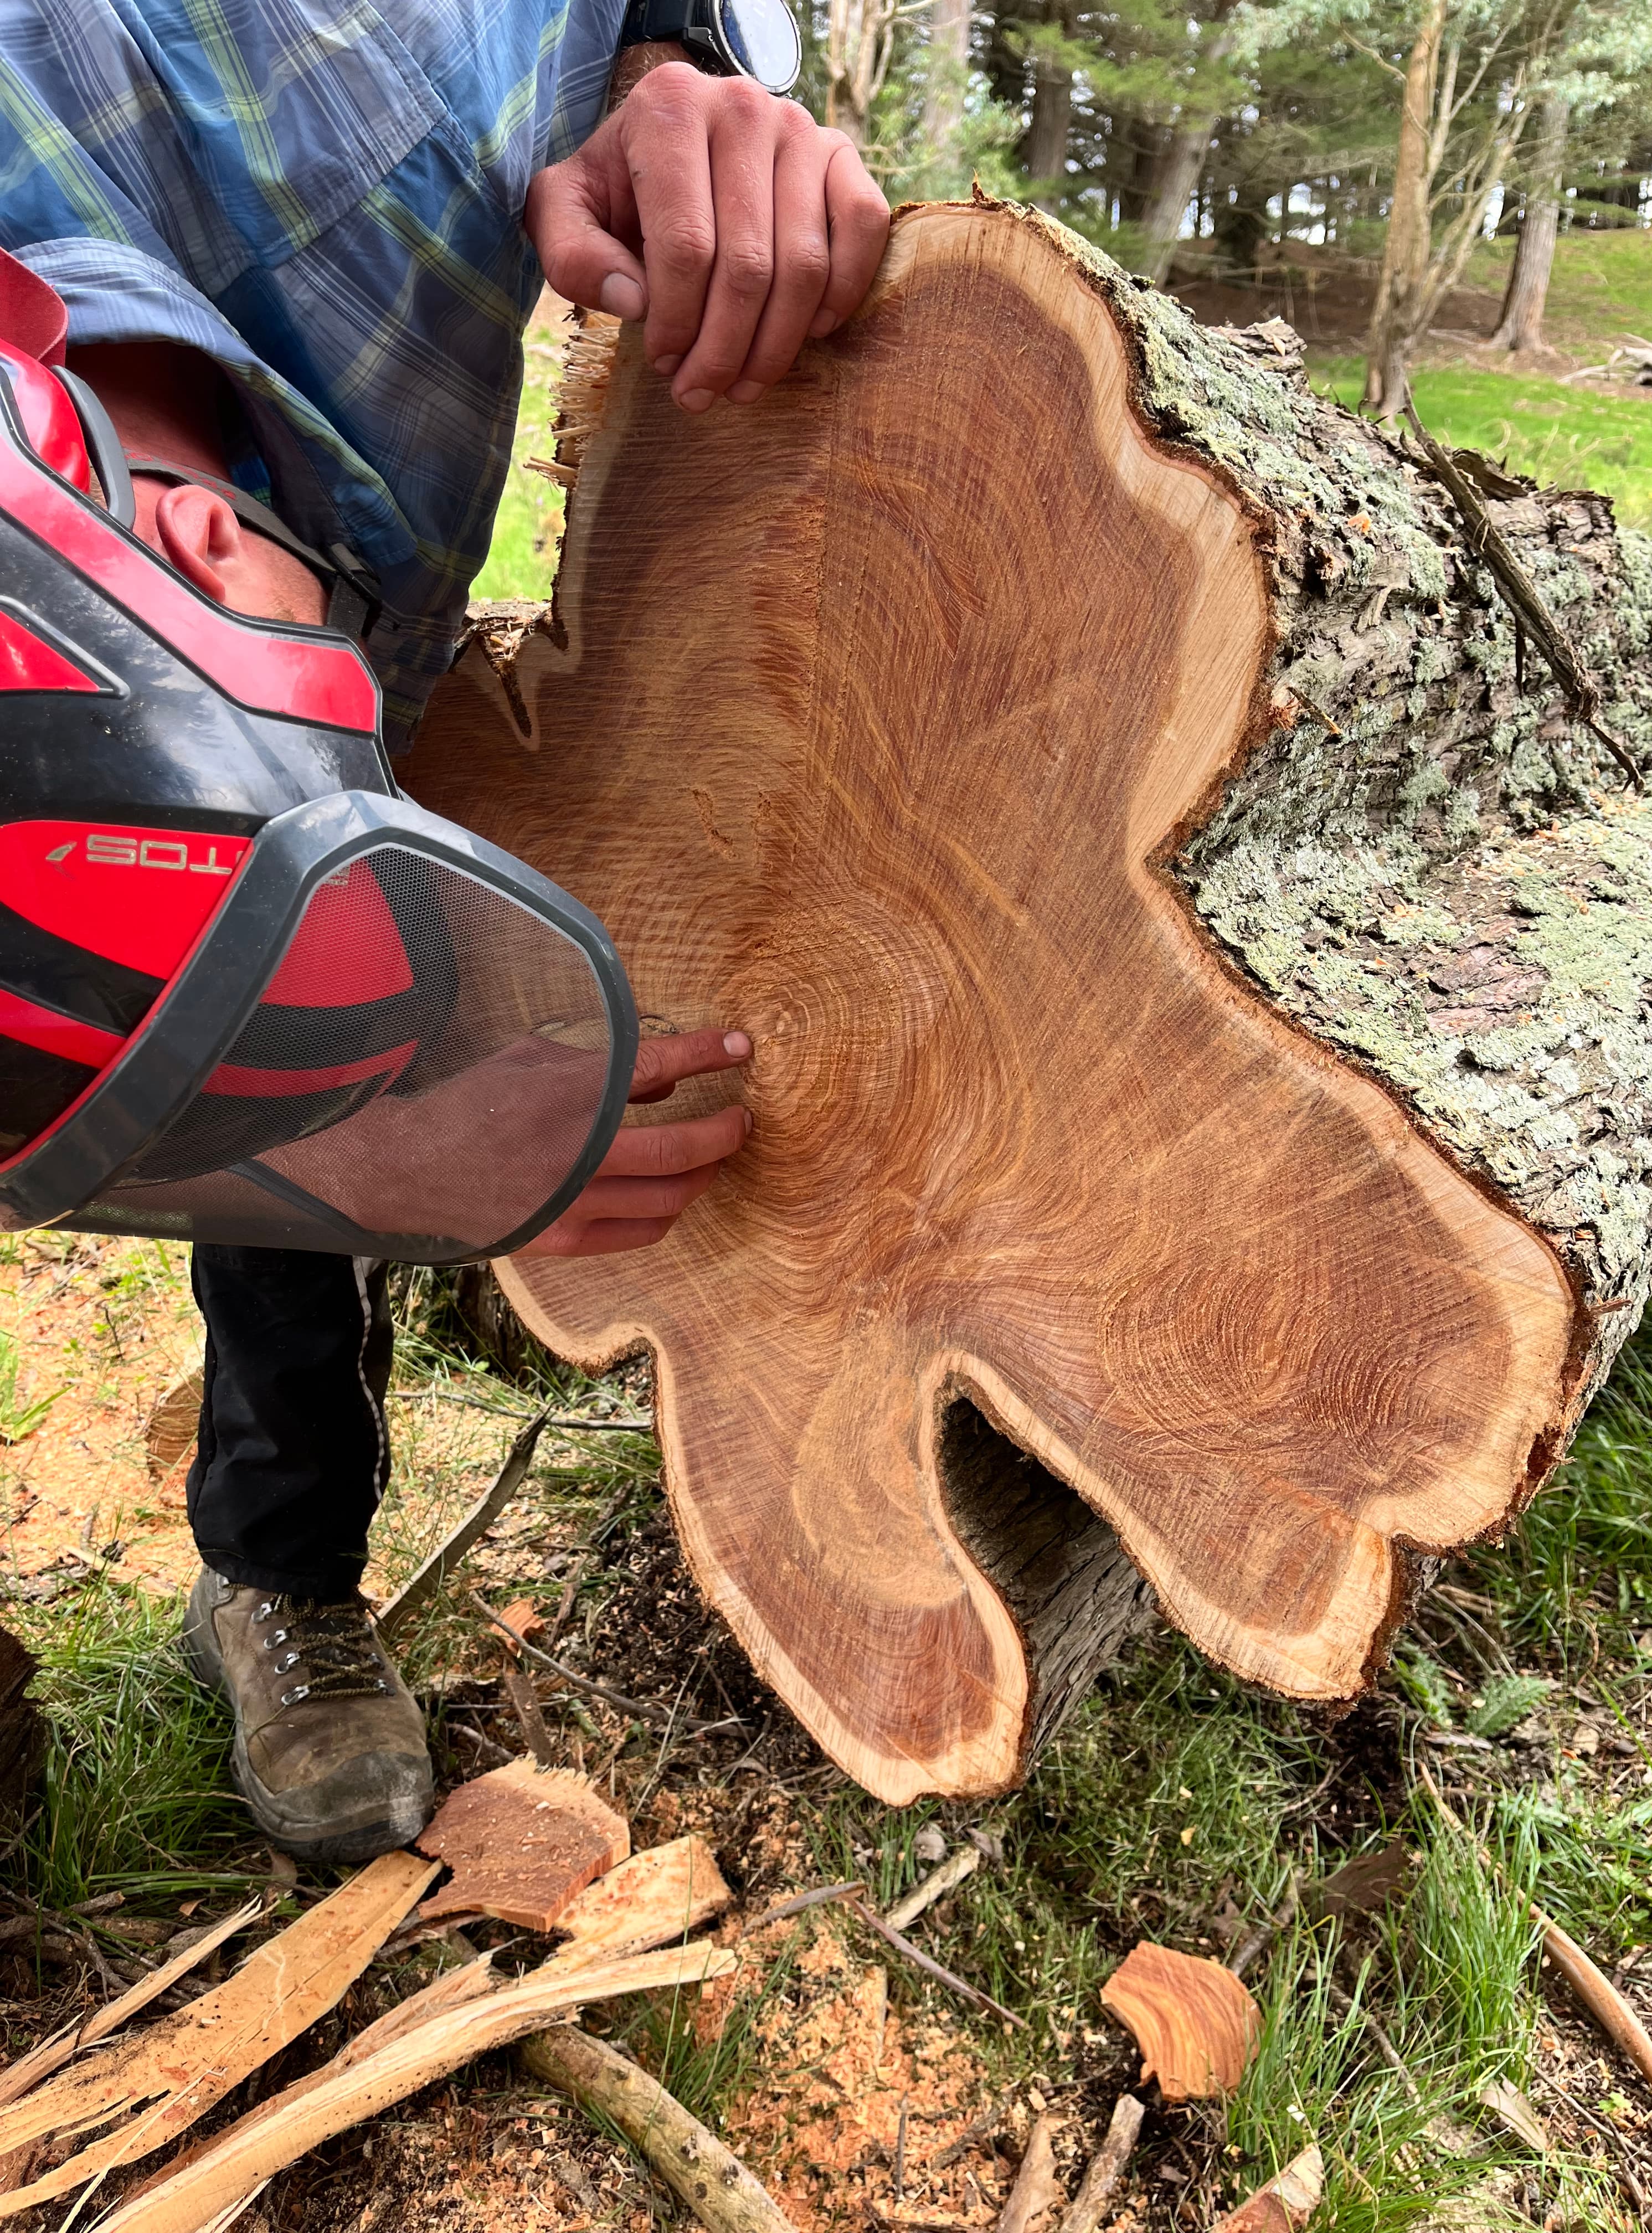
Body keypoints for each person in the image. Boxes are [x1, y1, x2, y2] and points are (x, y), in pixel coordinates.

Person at [0, 0, 890, 1862]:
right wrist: (343, 1160)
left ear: (199, 546)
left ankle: (282, 1567)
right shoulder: (201, 573)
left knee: (296, 970)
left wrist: (668, 81)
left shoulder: (377, 67)